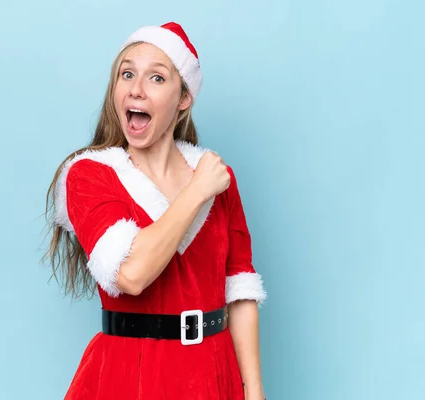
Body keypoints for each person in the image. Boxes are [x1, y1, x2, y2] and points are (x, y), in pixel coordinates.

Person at [44, 22, 267, 400]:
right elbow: (130, 274)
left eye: (156, 78)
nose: (136, 89)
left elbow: (240, 289)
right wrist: (196, 191)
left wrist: (254, 391)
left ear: (183, 98)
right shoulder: (90, 175)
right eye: (127, 74)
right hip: (129, 373)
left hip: (213, 370)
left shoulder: (218, 178)